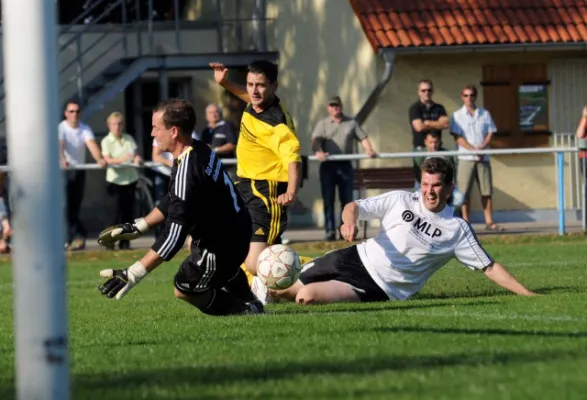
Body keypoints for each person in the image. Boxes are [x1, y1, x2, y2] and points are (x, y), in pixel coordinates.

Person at [252, 157, 537, 305]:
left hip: (380, 286)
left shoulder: (457, 229)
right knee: (291, 278)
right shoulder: (402, 199)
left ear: (449, 187)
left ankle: (268, 290)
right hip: (352, 257)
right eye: (425, 184)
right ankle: (257, 290)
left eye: (436, 185)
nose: (429, 191)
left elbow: (489, 267)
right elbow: (353, 206)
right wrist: (348, 221)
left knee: (305, 296)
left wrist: (527, 295)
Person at [97, 98, 263, 316]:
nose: (152, 134)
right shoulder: (199, 148)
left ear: (173, 131)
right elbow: (175, 198)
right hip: (237, 231)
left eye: (156, 128)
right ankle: (250, 300)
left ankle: (245, 312)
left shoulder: (188, 170)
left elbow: (173, 237)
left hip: (221, 245)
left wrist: (134, 273)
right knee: (214, 263)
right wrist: (141, 226)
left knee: (184, 287)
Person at [209, 60, 302, 278]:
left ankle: (310, 272)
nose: (253, 91)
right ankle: (258, 290)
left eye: (260, 85)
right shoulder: (254, 103)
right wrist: (225, 83)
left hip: (266, 191)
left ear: (274, 86)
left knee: (255, 263)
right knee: (234, 245)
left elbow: (293, 158)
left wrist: (292, 190)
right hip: (244, 185)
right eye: (250, 84)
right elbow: (247, 97)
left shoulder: (277, 121)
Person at [312, 95, 376, 241]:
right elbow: (315, 141)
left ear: (341, 106)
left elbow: (363, 138)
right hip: (328, 167)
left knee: (347, 201)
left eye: (337, 105)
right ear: (328, 108)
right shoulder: (323, 124)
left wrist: (369, 150)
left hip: (345, 166)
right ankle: (329, 231)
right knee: (328, 200)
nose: (335, 108)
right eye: (332, 105)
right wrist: (318, 151)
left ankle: (344, 231)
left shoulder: (351, 123)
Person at [450, 84, 502, 231]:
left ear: (475, 96)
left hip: (483, 158)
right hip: (465, 158)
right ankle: (466, 222)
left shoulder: (484, 113)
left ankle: (489, 221)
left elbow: (491, 132)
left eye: (471, 95)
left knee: (486, 191)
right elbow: (457, 137)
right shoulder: (457, 115)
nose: (469, 98)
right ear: (462, 97)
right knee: (464, 193)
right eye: (466, 95)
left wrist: (482, 148)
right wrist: (473, 150)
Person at [59, 99, 107, 251]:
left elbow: (91, 144)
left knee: (75, 206)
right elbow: (60, 145)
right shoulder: (61, 128)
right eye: (71, 111)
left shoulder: (84, 128)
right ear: (66, 113)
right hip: (63, 172)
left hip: (78, 171)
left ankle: (73, 238)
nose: (74, 114)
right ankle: (75, 236)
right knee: (64, 206)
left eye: (77, 111)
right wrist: (63, 159)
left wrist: (99, 159)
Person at [100, 112, 143, 250]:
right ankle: (110, 243)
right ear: (109, 126)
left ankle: (125, 243)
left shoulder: (129, 138)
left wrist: (137, 159)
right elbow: (108, 160)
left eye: (119, 124)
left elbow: (135, 155)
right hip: (114, 181)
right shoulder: (106, 141)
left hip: (130, 180)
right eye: (114, 124)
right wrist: (126, 158)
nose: (117, 127)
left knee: (128, 214)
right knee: (114, 215)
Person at [408, 79, 449, 186]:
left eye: (429, 90)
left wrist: (427, 122)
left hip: (437, 149)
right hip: (421, 149)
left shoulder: (439, 108)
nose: (426, 93)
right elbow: (418, 127)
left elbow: (445, 124)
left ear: (432, 91)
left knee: (438, 179)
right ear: (419, 92)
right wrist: (436, 124)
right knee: (421, 181)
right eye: (423, 90)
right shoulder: (415, 108)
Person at [415, 131, 464, 208]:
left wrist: (448, 188)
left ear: (440, 142)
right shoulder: (420, 155)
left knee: (459, 198)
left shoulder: (447, 154)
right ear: (425, 142)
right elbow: (418, 177)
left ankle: (447, 215)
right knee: (418, 199)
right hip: (425, 186)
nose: (433, 145)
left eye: (436, 142)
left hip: (444, 186)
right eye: (431, 142)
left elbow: (452, 174)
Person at [200, 103, 238, 179]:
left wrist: (215, 150)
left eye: (215, 112)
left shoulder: (227, 126)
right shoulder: (205, 131)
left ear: (220, 114)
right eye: (210, 112)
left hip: (227, 168)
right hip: (211, 169)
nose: (213, 114)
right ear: (206, 116)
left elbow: (233, 144)